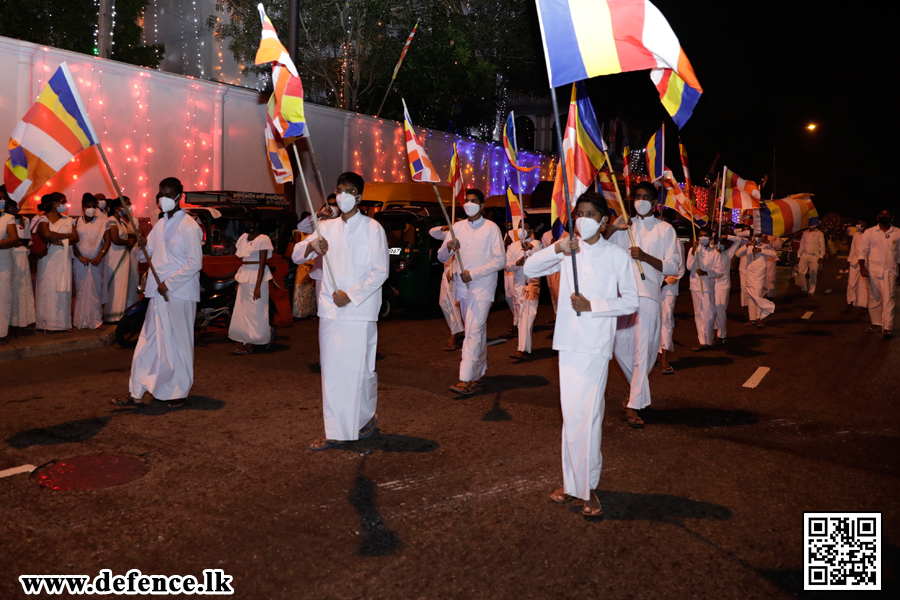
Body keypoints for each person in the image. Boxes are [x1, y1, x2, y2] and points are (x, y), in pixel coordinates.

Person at [524, 192, 639, 518]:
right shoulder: (567, 250)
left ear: (604, 222)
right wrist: (557, 248)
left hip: (595, 345)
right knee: (572, 418)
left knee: (588, 418)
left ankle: (588, 488)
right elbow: (528, 268)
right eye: (579, 213)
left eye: (591, 214)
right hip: (568, 343)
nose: (583, 219)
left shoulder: (616, 256)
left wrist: (593, 306)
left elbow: (631, 301)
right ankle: (572, 484)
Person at [292, 172, 388, 450]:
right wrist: (312, 245)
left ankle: (364, 418)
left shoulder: (373, 229)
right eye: (338, 191)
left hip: (360, 311)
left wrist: (352, 295)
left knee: (361, 371)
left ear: (359, 196)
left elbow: (380, 271)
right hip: (331, 312)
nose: (341, 196)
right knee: (333, 372)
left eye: (348, 191)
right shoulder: (326, 227)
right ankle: (336, 431)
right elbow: (297, 255)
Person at [111, 178, 203, 408]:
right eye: (160, 194)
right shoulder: (160, 225)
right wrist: (141, 245)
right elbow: (145, 257)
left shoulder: (189, 226)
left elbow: (194, 263)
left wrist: (169, 284)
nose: (163, 199)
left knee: (179, 343)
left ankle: (178, 392)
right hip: (157, 293)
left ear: (178, 196)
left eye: (168, 194)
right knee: (148, 341)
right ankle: (137, 391)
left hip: (179, 293)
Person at [604, 182, 681, 429]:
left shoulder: (665, 229)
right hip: (621, 296)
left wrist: (646, 257)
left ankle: (633, 404)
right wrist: (611, 229)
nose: (641, 200)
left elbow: (674, 266)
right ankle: (637, 391)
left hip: (648, 295)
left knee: (643, 352)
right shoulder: (623, 227)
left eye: (646, 197)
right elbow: (600, 251)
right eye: (637, 196)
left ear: (655, 203)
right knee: (619, 347)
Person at [438, 188, 505, 395]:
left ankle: (465, 379)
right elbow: (441, 257)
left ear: (482, 206)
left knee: (472, 332)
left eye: (474, 201)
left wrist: (474, 274)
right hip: (461, 288)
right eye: (467, 200)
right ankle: (479, 372)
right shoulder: (456, 227)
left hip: (482, 287)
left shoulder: (491, 228)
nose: (469, 203)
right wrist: (449, 246)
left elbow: (500, 260)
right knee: (476, 331)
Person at [229, 211, 276, 354]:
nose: (247, 226)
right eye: (245, 224)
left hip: (257, 276)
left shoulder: (263, 239)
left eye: (250, 224)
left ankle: (263, 335)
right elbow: (243, 261)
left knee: (257, 312)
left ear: (256, 224)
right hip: (244, 276)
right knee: (243, 311)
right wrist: (239, 281)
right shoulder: (243, 238)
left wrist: (258, 286)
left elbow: (262, 264)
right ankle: (247, 341)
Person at [34, 193, 78, 332]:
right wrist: (66, 236)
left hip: (63, 260)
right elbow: (46, 235)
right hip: (48, 260)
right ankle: (46, 323)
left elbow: (75, 237)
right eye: (62, 202)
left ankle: (62, 324)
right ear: (54, 204)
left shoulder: (68, 220)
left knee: (63, 290)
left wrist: (58, 239)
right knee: (48, 289)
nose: (65, 204)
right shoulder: (42, 219)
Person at [859, 209, 900, 339]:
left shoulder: (898, 233)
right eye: (882, 214)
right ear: (877, 217)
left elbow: (899, 254)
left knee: (888, 298)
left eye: (887, 214)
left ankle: (887, 328)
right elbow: (862, 251)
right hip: (873, 270)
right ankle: (875, 323)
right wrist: (862, 267)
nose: (884, 216)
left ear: (892, 217)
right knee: (874, 297)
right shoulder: (869, 232)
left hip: (890, 270)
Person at [505, 218, 542, 360]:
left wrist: (531, 250)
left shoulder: (536, 244)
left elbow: (542, 260)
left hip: (531, 285)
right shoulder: (513, 246)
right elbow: (507, 266)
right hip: (517, 286)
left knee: (527, 316)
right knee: (521, 318)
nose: (521, 230)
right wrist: (517, 263)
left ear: (531, 231)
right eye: (519, 227)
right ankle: (524, 348)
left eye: (524, 227)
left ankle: (522, 349)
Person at [72, 193, 110, 329]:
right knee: (81, 290)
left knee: (96, 291)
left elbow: (107, 241)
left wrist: (100, 256)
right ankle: (80, 321)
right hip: (80, 261)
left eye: (94, 207)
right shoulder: (76, 222)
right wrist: (80, 256)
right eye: (89, 207)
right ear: (83, 208)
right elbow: (73, 243)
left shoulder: (103, 222)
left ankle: (96, 320)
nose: (92, 209)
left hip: (96, 261)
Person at [687, 228, 725, 352]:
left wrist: (706, 273)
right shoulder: (693, 250)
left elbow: (720, 271)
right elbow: (689, 267)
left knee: (708, 314)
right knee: (698, 314)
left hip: (708, 287)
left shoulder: (715, 253)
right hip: (695, 286)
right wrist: (694, 255)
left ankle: (709, 339)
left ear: (710, 238)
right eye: (701, 235)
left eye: (705, 235)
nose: (702, 238)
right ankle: (702, 342)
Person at [429, 221, 464, 351]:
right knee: (443, 303)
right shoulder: (449, 235)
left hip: (456, 274)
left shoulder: (464, 237)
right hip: (446, 273)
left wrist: (453, 271)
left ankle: (453, 335)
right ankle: (458, 328)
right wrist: (446, 227)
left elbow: (462, 257)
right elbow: (432, 232)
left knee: (453, 305)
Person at [4, 188, 35, 335]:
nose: (16, 208)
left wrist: (24, 244)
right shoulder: (4, 219)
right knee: (8, 291)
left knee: (22, 289)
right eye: (13, 205)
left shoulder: (25, 220)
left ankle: (22, 321)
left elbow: (29, 240)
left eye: (18, 205)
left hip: (21, 257)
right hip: (8, 256)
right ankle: (8, 322)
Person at [658, 215, 685, 374]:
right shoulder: (651, 241)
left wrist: (661, 282)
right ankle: (654, 353)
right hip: (650, 287)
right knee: (651, 321)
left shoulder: (675, 243)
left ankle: (664, 358)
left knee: (666, 321)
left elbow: (678, 268)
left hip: (667, 288)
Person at [103, 198, 137, 322]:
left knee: (122, 286)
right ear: (118, 208)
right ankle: (111, 315)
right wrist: (128, 242)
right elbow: (115, 239)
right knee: (114, 285)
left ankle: (119, 315)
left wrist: (131, 240)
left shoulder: (122, 222)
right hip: (115, 256)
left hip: (123, 255)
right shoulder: (112, 220)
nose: (129, 207)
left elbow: (132, 235)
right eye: (126, 205)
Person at [736, 234, 776, 328]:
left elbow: (773, 254)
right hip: (749, 275)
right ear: (751, 237)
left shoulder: (765, 246)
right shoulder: (748, 247)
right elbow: (738, 254)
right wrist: (747, 245)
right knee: (750, 297)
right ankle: (752, 318)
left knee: (757, 295)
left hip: (759, 276)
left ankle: (759, 318)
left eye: (759, 236)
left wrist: (761, 250)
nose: (757, 238)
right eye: (755, 236)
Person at [713, 229, 744, 344]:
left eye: (722, 242)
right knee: (711, 310)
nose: (720, 245)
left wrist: (727, 236)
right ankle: (711, 332)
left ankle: (721, 335)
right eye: (717, 242)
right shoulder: (711, 254)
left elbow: (738, 240)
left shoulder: (728, 254)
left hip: (723, 286)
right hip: (711, 285)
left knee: (720, 310)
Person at [287, 211, 317, 320]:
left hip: (312, 262)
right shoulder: (298, 232)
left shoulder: (314, 231)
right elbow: (297, 246)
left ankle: (310, 312)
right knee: (300, 286)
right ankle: (299, 313)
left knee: (311, 289)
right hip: (303, 262)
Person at [0, 187, 20, 344]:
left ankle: (1, 332)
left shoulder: (8, 218)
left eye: (3, 199)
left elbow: (14, 239)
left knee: (3, 297)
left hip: (4, 264)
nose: (1, 201)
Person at [843, 220, 869, 314]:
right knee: (851, 283)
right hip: (854, 262)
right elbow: (853, 249)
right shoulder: (856, 235)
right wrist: (848, 262)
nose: (859, 225)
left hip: (865, 263)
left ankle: (864, 306)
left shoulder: (870, 235)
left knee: (864, 285)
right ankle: (850, 302)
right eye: (858, 223)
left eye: (862, 223)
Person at [796, 224, 825, 294]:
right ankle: (803, 287)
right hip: (805, 255)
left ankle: (811, 290)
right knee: (800, 271)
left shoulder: (819, 233)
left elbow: (822, 245)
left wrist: (821, 256)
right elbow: (802, 244)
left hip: (815, 256)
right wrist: (799, 254)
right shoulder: (805, 233)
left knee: (813, 274)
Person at [541, 227, 562, 321]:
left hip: (561, 267)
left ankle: (561, 314)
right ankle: (556, 312)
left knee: (559, 291)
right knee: (552, 290)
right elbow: (543, 251)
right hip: (550, 267)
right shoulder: (546, 235)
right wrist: (552, 246)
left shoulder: (566, 234)